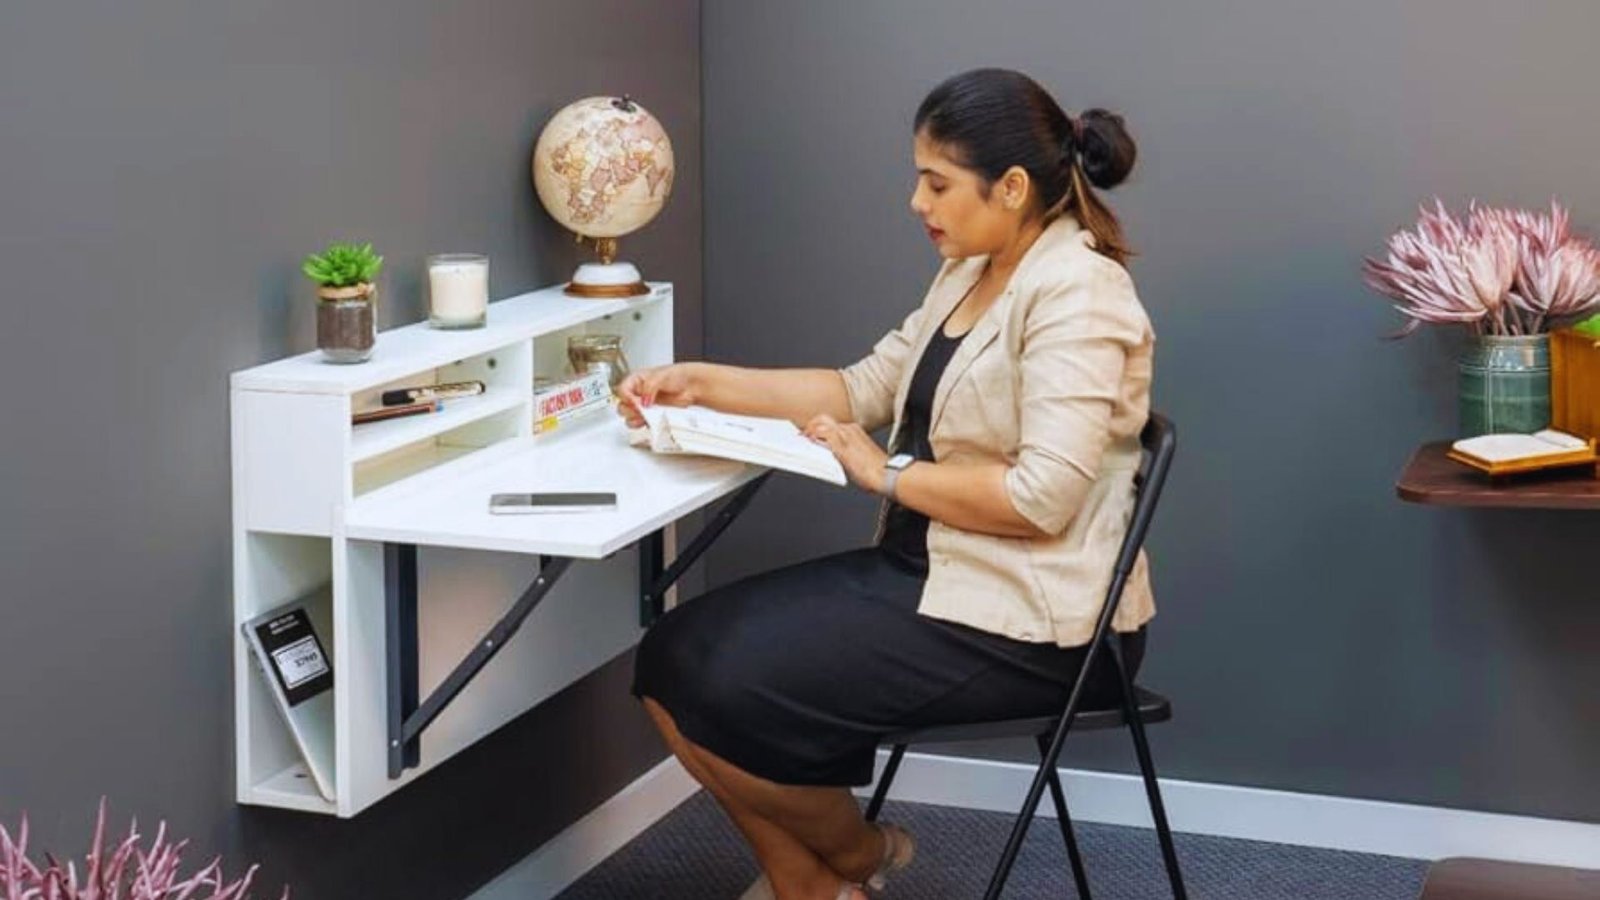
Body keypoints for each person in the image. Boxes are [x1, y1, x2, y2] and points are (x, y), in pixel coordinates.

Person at [617, 67, 1155, 900]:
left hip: (1035, 624)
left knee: (719, 680)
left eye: (936, 182)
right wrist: (701, 382)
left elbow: (1042, 497)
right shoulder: (972, 270)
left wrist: (888, 472)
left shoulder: (1080, 292)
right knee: (670, 660)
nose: (917, 202)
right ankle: (833, 875)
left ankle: (839, 870)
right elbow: (863, 388)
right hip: (931, 572)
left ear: (1011, 188)